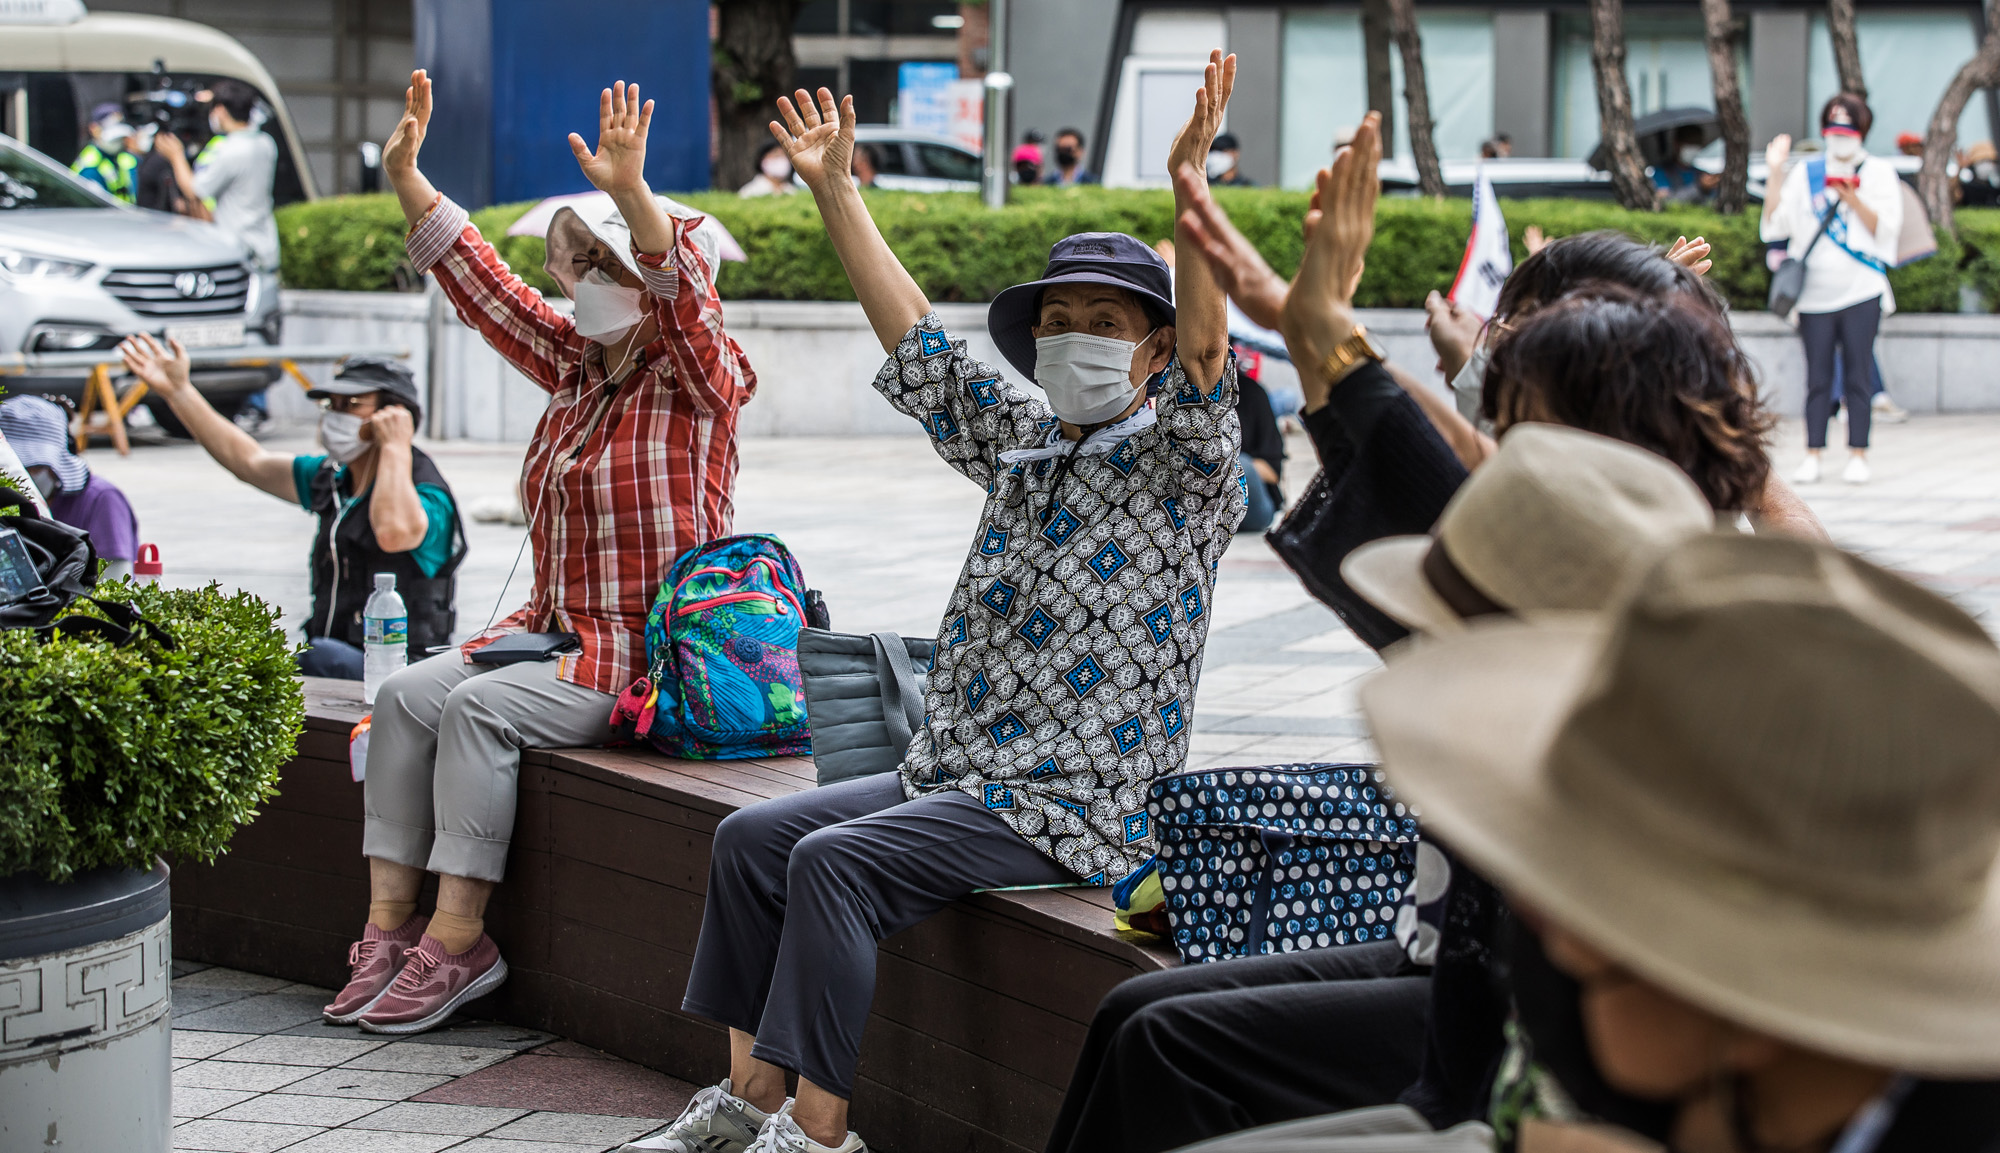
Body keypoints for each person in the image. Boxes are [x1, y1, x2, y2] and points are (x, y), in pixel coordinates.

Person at [629, 52, 1242, 1153]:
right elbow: (915, 342)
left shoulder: (1184, 469)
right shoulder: (1022, 444)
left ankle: (820, 1135)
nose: (1076, 338)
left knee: (833, 861)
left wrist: (1191, 196)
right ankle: (744, 1105)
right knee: (751, 841)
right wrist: (834, 191)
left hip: (1075, 805)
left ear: (1150, 351)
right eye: (1059, 319)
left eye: (1106, 323)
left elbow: (1208, 355)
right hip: (955, 778)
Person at [1044, 423, 1719, 1153]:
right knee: (1134, 1009)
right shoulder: (1517, 711)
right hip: (1432, 957)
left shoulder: (1629, 768)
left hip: (1484, 1054)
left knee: (1168, 1043)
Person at [317, 72, 756, 1037]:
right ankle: (388, 930)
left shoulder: (700, 381)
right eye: (582, 264)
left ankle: (460, 937)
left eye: (612, 264)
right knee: (399, 697)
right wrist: (408, 179)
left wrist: (635, 194)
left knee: (476, 709)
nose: (589, 282)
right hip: (546, 638)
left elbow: (689, 307)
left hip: (641, 657)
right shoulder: (574, 365)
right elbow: (484, 288)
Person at [115, 340, 463, 680]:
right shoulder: (334, 478)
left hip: (402, 674)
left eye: (352, 404)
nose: (337, 415)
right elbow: (250, 461)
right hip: (335, 658)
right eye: (332, 404)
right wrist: (178, 391)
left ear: (395, 414)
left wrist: (396, 445)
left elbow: (393, 532)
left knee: (317, 658)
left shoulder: (425, 491)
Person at [1762, 94, 1902, 486]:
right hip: (1813, 294)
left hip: (1861, 288)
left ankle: (1859, 452)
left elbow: (1887, 230)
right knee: (1817, 378)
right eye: (1833, 129)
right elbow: (1774, 226)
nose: (1839, 137)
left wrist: (1852, 198)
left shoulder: (1878, 173)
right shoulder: (1807, 173)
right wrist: (1775, 172)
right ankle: (1813, 453)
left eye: (1847, 129)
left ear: (1861, 131)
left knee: (1859, 374)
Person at [0, 396, 139, 578]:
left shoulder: (102, 499)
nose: (26, 477)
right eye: (21, 469)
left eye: (37, 467)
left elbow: (116, 582)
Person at [157, 78, 279, 272]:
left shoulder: (231, 150)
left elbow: (195, 191)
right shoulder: (265, 143)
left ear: (221, 110)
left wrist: (176, 156)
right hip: (265, 245)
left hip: (239, 250)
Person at [70, 104, 138, 203]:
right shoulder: (90, 166)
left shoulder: (126, 158)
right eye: (115, 139)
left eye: (120, 139)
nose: (119, 143)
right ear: (93, 129)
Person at [1649, 125, 1717, 206]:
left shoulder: (1702, 174)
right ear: (1676, 144)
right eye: (1690, 142)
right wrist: (1700, 187)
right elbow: (1667, 201)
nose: (1693, 147)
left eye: (1697, 143)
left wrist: (1709, 189)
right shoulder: (1659, 173)